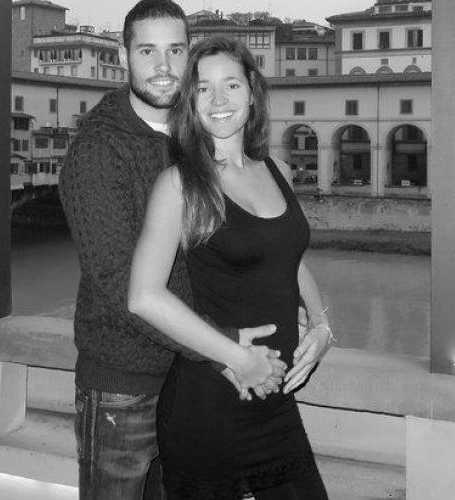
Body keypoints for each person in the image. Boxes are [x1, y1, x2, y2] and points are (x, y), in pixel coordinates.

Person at [59, 2, 285, 498]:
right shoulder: (98, 150)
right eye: (147, 52)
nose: (163, 67)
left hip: (194, 379)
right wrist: (227, 350)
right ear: (124, 57)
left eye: (175, 51)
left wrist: (311, 315)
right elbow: (123, 287)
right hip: (124, 389)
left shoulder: (195, 136)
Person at [128, 36, 334, 499]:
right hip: (211, 404)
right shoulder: (181, 184)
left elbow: (289, 260)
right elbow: (143, 296)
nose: (218, 100)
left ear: (253, 92)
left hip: (275, 403)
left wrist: (322, 326)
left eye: (231, 85)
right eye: (203, 88)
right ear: (190, 102)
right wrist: (238, 358)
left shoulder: (277, 170)